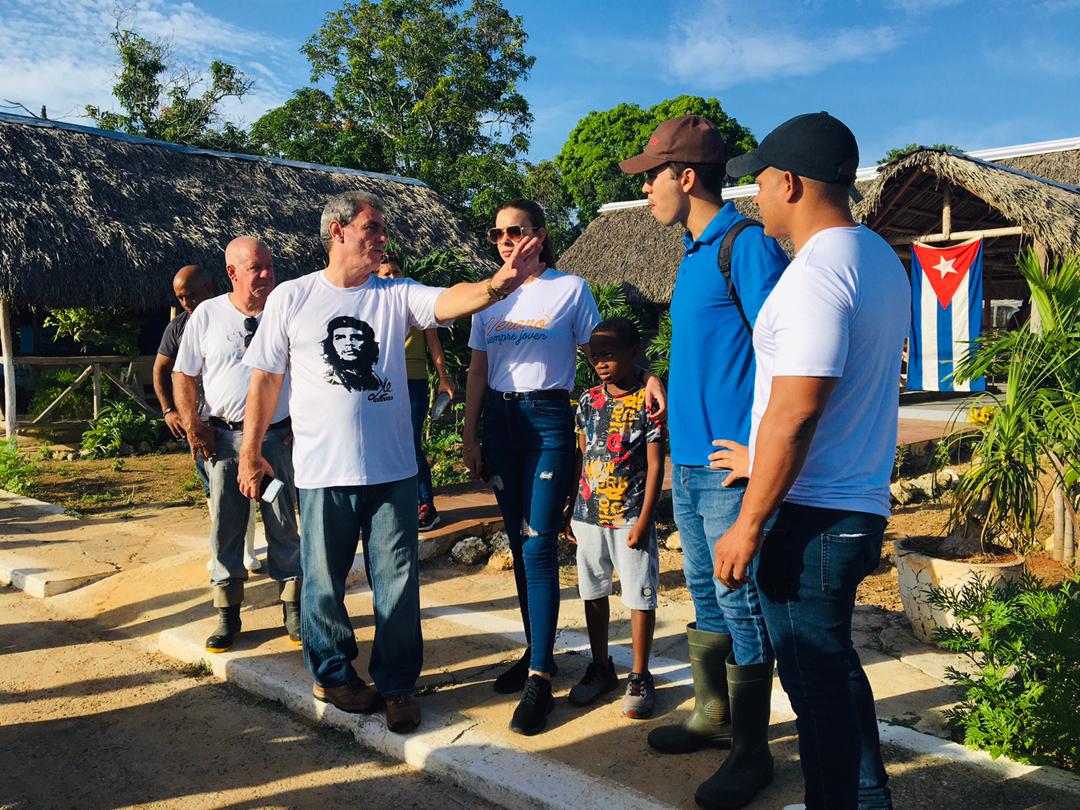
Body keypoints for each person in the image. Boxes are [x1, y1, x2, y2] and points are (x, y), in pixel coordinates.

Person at [237, 191, 539, 736]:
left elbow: (449, 300)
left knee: (397, 582)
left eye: (381, 229)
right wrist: (250, 449)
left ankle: (398, 685)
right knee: (323, 584)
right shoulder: (292, 297)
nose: (381, 237)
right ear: (337, 232)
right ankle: (332, 675)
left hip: (393, 471)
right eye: (371, 228)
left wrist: (497, 283)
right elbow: (265, 379)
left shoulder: (395, 294)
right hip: (322, 472)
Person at [713, 112, 909, 810]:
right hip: (849, 502)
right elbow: (818, 398)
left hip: (811, 518)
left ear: (790, 183)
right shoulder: (876, 257)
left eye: (759, 182)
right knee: (833, 665)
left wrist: (749, 525)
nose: (754, 196)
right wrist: (757, 451)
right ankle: (866, 794)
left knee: (814, 689)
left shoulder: (815, 277)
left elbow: (798, 410)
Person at [619, 115, 788, 805]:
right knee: (707, 595)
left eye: (652, 179)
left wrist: (763, 451)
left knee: (741, 604)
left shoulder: (744, 247)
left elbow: (788, 357)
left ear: (685, 177)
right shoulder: (693, 253)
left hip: (727, 470)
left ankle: (753, 752)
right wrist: (664, 378)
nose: (646, 193)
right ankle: (714, 715)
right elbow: (715, 348)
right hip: (687, 465)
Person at [463, 198, 666, 736]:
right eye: (498, 233)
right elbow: (478, 371)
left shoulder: (569, 289)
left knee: (537, 544)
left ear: (540, 234)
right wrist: (470, 434)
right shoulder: (489, 296)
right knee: (517, 537)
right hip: (502, 426)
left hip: (549, 419)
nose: (506, 240)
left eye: (516, 231)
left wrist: (645, 377)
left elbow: (604, 351)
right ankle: (537, 651)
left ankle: (538, 675)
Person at [173, 237, 302, 654]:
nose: (266, 275)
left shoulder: (285, 312)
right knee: (226, 526)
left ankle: (293, 606)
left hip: (276, 439)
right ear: (233, 273)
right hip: (224, 443)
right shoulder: (207, 315)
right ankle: (227, 612)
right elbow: (184, 374)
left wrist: (298, 425)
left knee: (283, 521)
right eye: (255, 269)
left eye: (269, 266)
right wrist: (193, 424)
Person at [566, 318, 665, 720]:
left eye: (609, 354)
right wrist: (569, 509)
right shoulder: (588, 400)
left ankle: (640, 674)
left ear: (633, 353)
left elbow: (657, 466)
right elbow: (582, 455)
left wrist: (644, 520)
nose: (601, 363)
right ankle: (600, 665)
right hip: (588, 515)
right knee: (593, 593)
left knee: (639, 595)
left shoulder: (647, 400)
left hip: (629, 517)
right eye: (595, 356)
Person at [155, 265, 262, 574]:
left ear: (208, 287)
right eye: (179, 297)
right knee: (213, 491)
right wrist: (169, 411)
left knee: (251, 487)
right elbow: (162, 369)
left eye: (191, 295)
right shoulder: (177, 328)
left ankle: (247, 550)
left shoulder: (234, 316)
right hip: (200, 425)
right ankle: (223, 551)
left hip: (237, 422)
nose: (186, 302)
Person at [376, 252, 456, 531]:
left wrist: (443, 377)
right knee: (386, 445)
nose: (392, 277)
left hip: (414, 379)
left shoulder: (416, 300)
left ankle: (426, 505)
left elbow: (434, 343)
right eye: (385, 274)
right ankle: (398, 505)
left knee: (410, 443)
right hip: (383, 383)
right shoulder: (371, 304)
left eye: (396, 272)